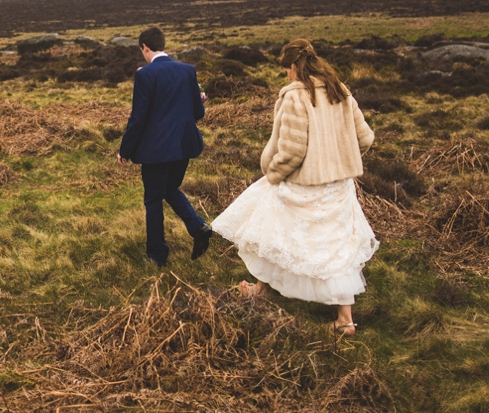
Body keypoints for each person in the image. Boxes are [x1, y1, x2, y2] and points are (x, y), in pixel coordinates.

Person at [211, 38, 378, 336]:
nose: (286, 75)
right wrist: (339, 162)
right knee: (336, 246)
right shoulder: (341, 90)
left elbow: (292, 151)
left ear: (295, 66)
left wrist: (273, 174)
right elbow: (364, 139)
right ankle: (344, 319)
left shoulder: (295, 97)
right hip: (338, 187)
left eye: (286, 69)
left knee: (272, 228)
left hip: (304, 184)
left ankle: (262, 290)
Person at [117, 27, 211, 268]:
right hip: (183, 146)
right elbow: (198, 112)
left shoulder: (145, 75)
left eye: (142, 51)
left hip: (156, 151)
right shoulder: (187, 71)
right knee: (170, 188)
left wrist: (124, 151)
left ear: (145, 47)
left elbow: (138, 119)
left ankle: (157, 255)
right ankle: (198, 227)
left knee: (153, 200)